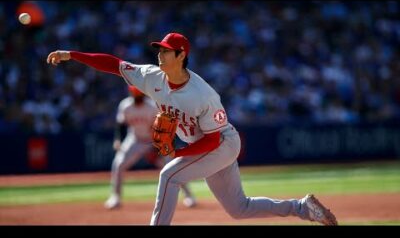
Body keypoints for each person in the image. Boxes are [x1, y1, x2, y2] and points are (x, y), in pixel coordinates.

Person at [47, 32, 338, 226]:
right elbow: (114, 64)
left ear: (181, 55)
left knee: (169, 174)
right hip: (205, 146)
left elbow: (212, 140)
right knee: (240, 209)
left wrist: (178, 151)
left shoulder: (203, 94)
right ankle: (303, 208)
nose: (159, 54)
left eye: (166, 51)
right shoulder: (151, 76)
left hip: (221, 142)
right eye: (158, 49)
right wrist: (72, 54)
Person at [104, 84, 197, 210]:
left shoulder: (152, 106)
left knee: (171, 167)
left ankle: (188, 196)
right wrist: (118, 140)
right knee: (118, 164)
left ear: (143, 94)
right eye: (135, 96)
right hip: (135, 140)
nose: (138, 98)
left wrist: (156, 148)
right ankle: (115, 197)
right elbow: (121, 124)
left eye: (139, 96)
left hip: (153, 141)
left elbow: (160, 128)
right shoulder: (126, 106)